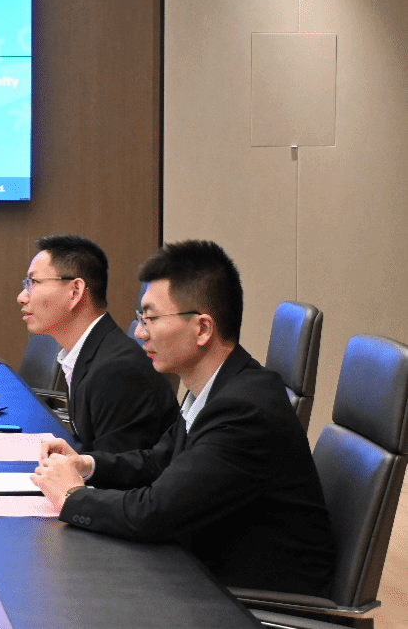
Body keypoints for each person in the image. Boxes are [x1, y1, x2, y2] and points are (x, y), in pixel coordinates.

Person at [31, 240, 335, 595]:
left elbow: (154, 513)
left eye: (151, 318)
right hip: (202, 564)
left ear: (203, 329)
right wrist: (87, 465)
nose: (140, 332)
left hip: (244, 594)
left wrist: (72, 496)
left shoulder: (243, 410)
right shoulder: (217, 385)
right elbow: (157, 461)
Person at [18, 234, 178, 453]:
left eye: (33, 282)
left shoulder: (116, 371)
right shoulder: (91, 352)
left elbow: (115, 468)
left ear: (75, 291)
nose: (22, 297)